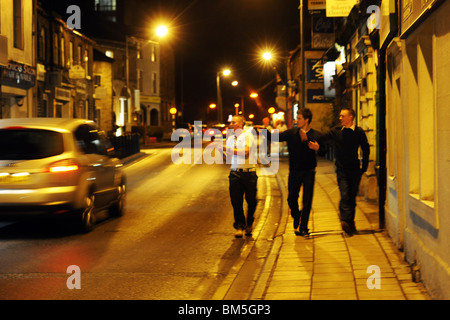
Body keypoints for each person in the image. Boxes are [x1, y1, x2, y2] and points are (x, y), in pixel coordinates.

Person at [310, 108, 370, 236]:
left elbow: (365, 149)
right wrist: (308, 135)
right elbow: (321, 137)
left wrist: (363, 168)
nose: (340, 118)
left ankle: (350, 223)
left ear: (350, 117)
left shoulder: (358, 132)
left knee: (352, 197)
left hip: (354, 169)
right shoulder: (336, 132)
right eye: (340, 116)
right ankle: (344, 220)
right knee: (345, 194)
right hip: (341, 169)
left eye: (343, 116)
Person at [278, 108, 321, 236]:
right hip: (295, 171)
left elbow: (324, 148)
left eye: (300, 118)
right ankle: (296, 215)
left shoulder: (315, 134)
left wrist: (315, 146)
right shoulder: (292, 133)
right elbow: (276, 137)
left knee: (307, 201)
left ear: (307, 120)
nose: (297, 120)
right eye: (297, 118)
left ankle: (304, 227)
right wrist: (262, 131)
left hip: (309, 172)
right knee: (291, 199)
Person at [223, 115, 258, 238]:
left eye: (233, 122)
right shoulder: (230, 138)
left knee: (251, 201)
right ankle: (239, 226)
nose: (231, 124)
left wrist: (227, 149)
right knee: (236, 201)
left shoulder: (248, 135)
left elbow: (245, 153)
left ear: (241, 123)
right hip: (235, 173)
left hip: (249, 173)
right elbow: (228, 157)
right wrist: (221, 151)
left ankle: (249, 223)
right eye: (231, 122)